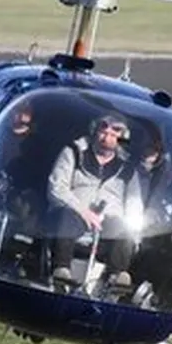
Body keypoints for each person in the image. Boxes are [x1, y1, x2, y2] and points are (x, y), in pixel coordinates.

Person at [47, 113, 141, 288]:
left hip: (110, 219)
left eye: (114, 134)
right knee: (66, 216)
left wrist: (135, 233)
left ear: (122, 137)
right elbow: (56, 187)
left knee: (124, 228)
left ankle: (117, 274)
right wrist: (83, 211)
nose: (107, 138)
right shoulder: (74, 152)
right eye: (103, 131)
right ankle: (62, 268)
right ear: (95, 130)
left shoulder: (128, 167)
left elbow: (135, 204)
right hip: (75, 212)